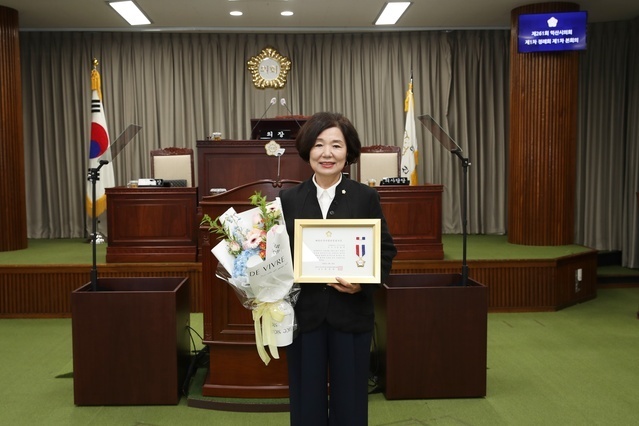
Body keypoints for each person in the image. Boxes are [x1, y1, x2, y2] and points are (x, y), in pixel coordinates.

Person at [279, 112, 397, 426]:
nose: (327, 153)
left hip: (351, 313)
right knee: (306, 403)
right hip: (305, 318)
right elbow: (276, 257)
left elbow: (386, 251)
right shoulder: (288, 200)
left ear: (349, 152)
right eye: (319, 145)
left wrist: (363, 284)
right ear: (307, 151)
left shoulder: (365, 197)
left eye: (336, 145)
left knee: (351, 403)